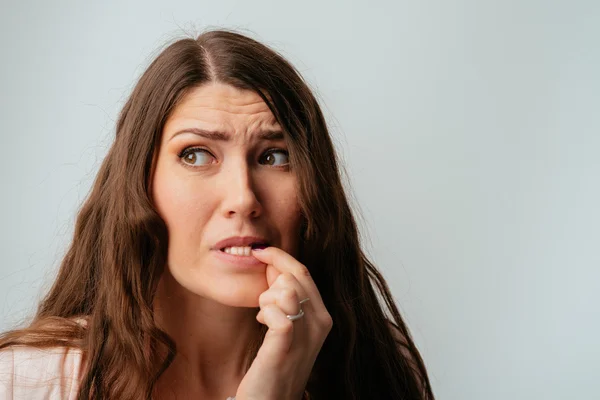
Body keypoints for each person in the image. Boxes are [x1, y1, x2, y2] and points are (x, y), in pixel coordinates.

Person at [0, 29, 435, 400]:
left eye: (275, 156)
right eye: (196, 155)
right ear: (139, 186)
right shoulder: (26, 381)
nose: (243, 197)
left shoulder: (374, 374)